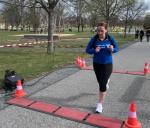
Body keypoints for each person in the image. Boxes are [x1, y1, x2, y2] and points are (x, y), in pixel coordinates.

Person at [86, 22, 119, 113]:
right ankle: (106, 81)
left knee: (102, 85)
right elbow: (87, 50)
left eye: (102, 31)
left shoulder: (110, 38)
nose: (99, 33)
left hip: (107, 64)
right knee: (100, 81)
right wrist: (94, 50)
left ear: (106, 30)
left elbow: (117, 47)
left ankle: (99, 105)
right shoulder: (94, 39)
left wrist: (112, 49)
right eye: (98, 31)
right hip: (97, 64)